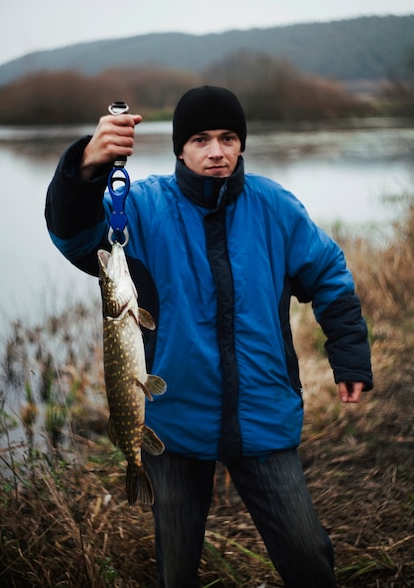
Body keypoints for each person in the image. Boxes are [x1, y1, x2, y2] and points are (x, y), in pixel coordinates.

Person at [45, 85, 373, 588]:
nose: (216, 151)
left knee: (310, 559)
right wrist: (87, 164)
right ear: (180, 147)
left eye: (227, 138)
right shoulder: (144, 206)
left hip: (263, 413)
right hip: (174, 419)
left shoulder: (276, 207)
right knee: (176, 571)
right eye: (200, 139)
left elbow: (330, 276)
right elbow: (74, 235)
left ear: (241, 144)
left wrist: (349, 359)